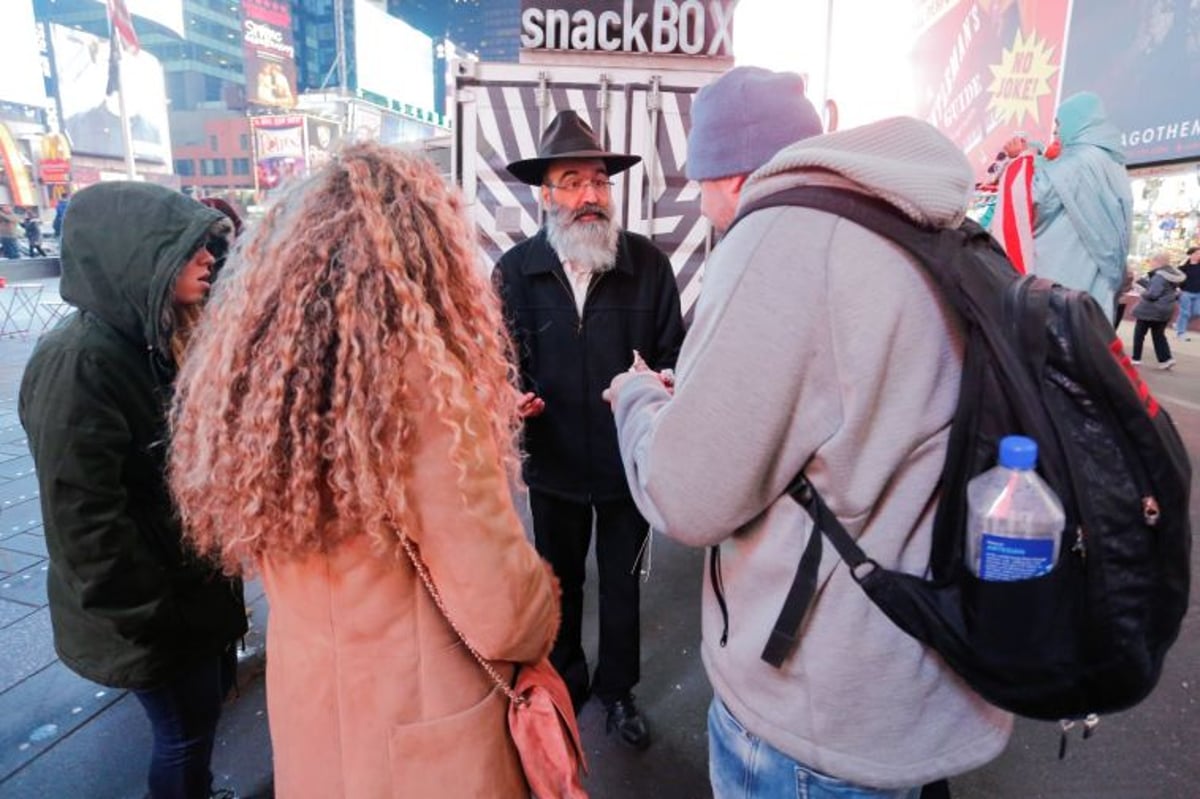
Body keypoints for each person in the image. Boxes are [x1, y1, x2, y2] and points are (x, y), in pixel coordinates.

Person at [604, 110, 1013, 795]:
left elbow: (684, 490)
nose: (704, 204)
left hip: (819, 716)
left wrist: (640, 397)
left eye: (702, 182)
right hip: (930, 676)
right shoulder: (932, 226)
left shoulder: (784, 232)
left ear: (731, 174)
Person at [168, 142, 559, 797]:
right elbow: (500, 609)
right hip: (423, 741)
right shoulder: (421, 384)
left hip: (314, 723)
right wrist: (545, 602)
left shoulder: (258, 378)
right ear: (426, 252)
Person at [19, 182, 246, 799]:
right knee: (183, 734)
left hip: (190, 593)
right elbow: (83, 517)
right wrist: (148, 618)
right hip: (156, 609)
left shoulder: (160, 337)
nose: (208, 260)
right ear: (135, 259)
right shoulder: (80, 361)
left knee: (197, 724)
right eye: (189, 250)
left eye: (207, 247)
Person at [494, 109, 685, 749]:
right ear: (546, 195)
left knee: (624, 582)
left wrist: (659, 381)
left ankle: (618, 690)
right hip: (552, 460)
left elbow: (672, 356)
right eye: (572, 182)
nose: (589, 196)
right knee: (560, 581)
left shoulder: (649, 267)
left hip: (627, 461)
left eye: (598, 182)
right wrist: (509, 395)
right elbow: (496, 359)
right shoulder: (516, 271)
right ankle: (567, 682)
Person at [1013, 92, 1133, 320]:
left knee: (1055, 339)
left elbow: (1035, 200)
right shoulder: (1112, 163)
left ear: (1077, 121)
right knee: (1086, 338)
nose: (1056, 130)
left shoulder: (1078, 160)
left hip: (1062, 271)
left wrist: (1024, 160)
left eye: (1059, 123)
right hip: (1098, 275)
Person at [686, 66, 824, 234]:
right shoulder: (836, 227)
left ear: (733, 181)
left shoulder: (756, 252)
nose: (703, 208)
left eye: (702, 183)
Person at [1130, 253, 1186, 369]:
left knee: (1139, 334)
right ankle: (1166, 359)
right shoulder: (1171, 275)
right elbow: (1158, 288)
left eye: (1151, 261)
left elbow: (1153, 294)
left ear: (1157, 262)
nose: (1150, 263)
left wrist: (1142, 292)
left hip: (1150, 310)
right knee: (1159, 335)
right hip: (1165, 310)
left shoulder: (1159, 276)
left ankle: (1136, 358)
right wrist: (1140, 280)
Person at [1174, 246, 1200, 340]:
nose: (1198, 255)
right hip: (1185, 293)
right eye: (1196, 253)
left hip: (1198, 293)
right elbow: (1175, 279)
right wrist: (1177, 288)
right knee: (1185, 313)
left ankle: (1178, 324)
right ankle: (1181, 333)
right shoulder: (1183, 267)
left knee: (1197, 312)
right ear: (1190, 254)